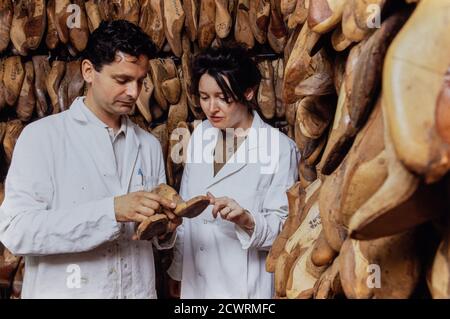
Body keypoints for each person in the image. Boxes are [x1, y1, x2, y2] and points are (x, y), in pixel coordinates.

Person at [0, 20, 181, 299]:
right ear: (88, 71)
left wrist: (165, 229)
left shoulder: (148, 145)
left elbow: (153, 238)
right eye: (122, 80)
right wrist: (110, 212)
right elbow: (16, 231)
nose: (134, 92)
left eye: (140, 81)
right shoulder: (41, 138)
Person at [167, 45, 300, 298]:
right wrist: (177, 270)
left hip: (243, 289)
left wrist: (247, 220)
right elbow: (185, 212)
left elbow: (285, 230)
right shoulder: (199, 136)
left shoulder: (280, 148)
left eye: (222, 97)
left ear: (248, 92)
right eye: (204, 97)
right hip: (196, 283)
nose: (211, 108)